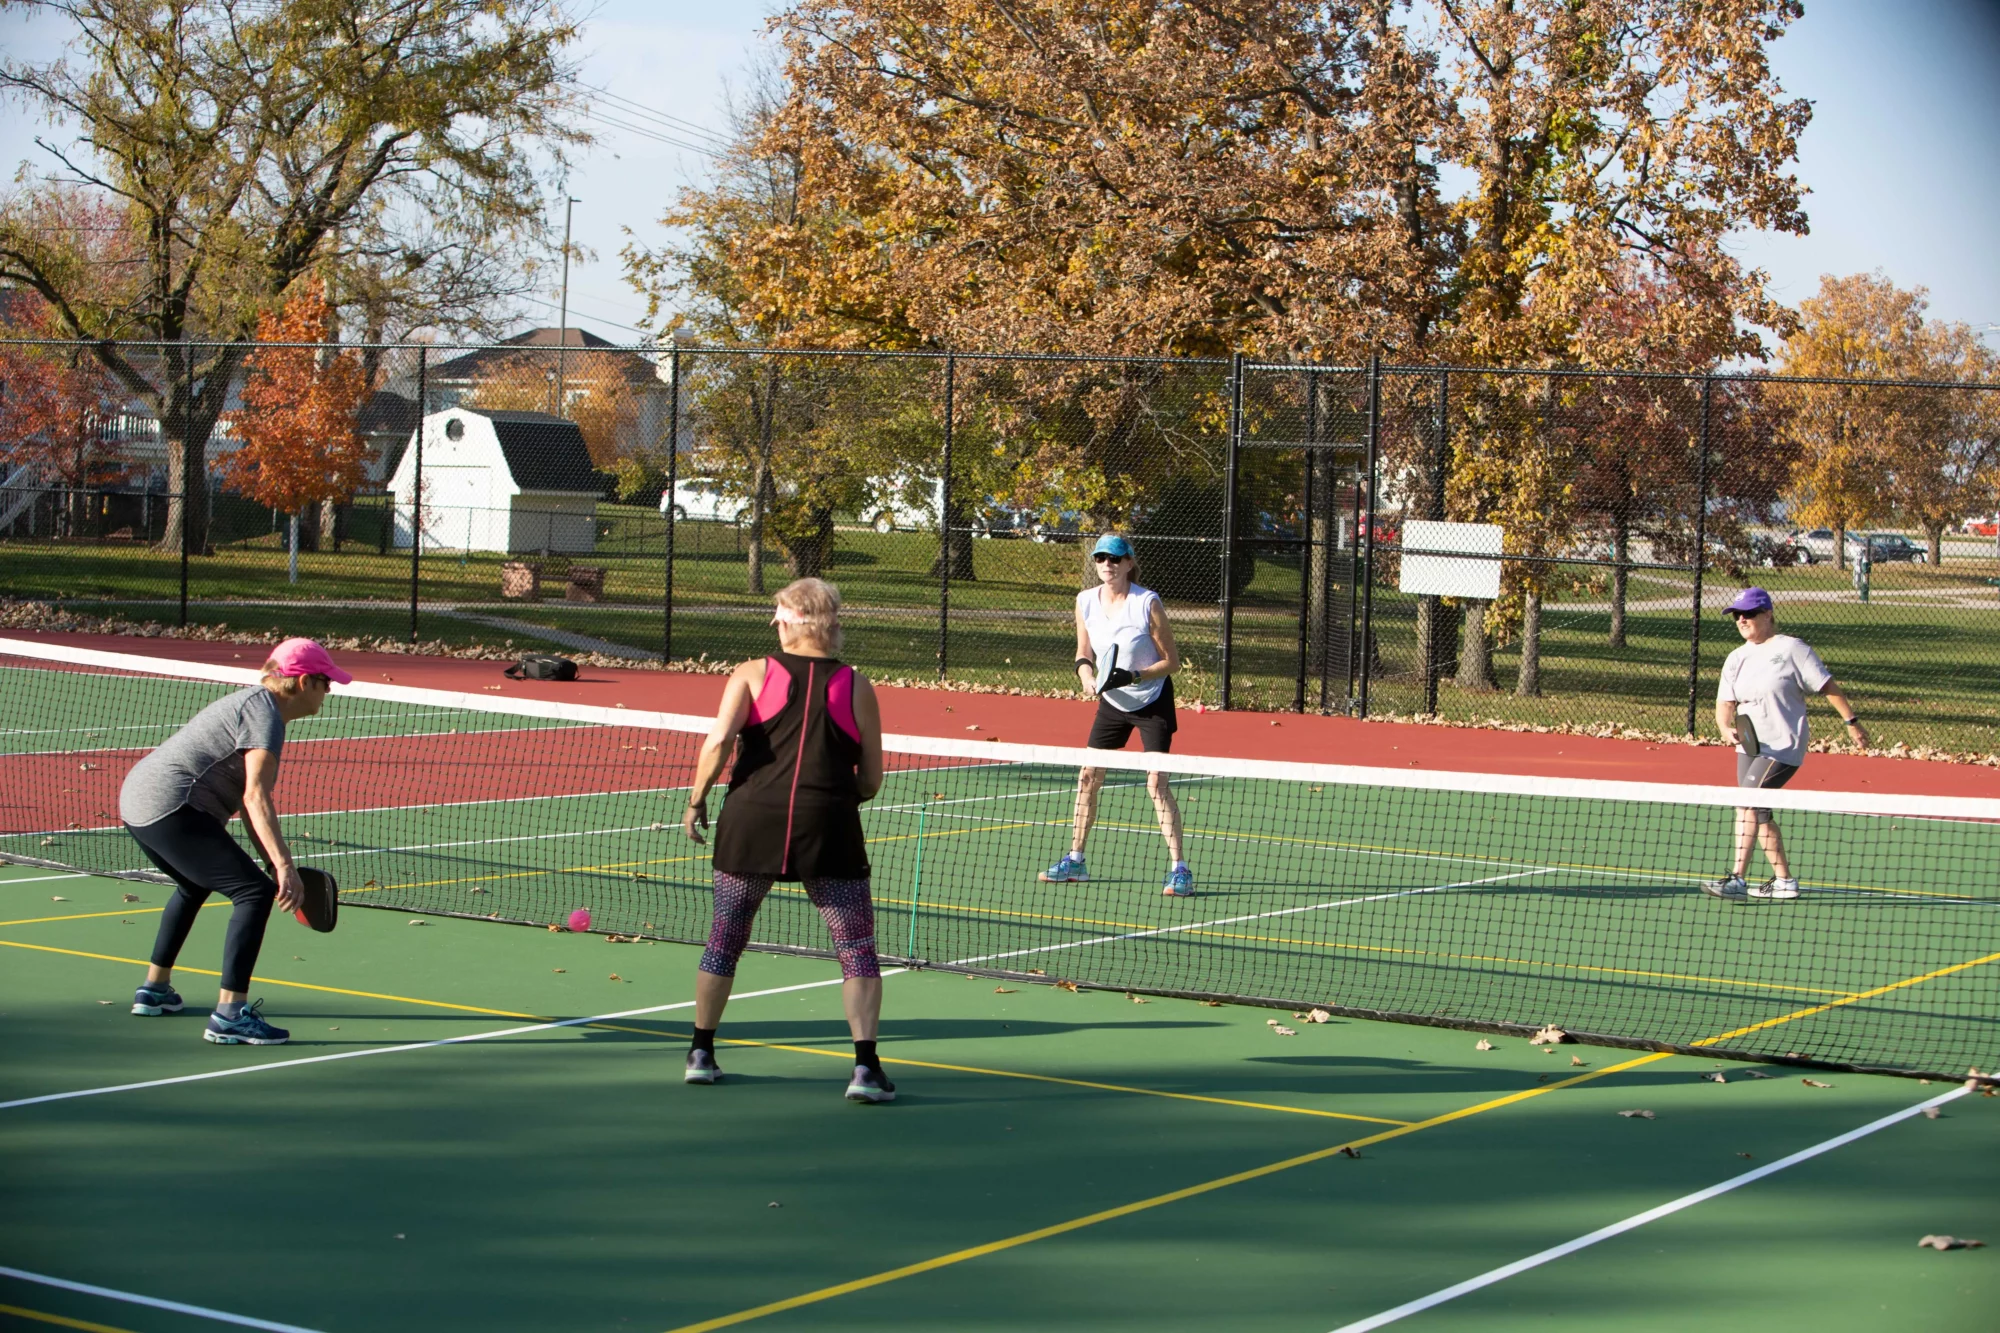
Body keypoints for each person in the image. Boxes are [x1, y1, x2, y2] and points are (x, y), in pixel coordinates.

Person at [680, 577, 893, 1102]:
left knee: (724, 939)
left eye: (779, 612)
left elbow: (717, 742)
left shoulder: (751, 674)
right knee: (857, 950)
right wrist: (835, 798)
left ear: (797, 620)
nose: (773, 621)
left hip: (751, 824)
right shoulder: (856, 685)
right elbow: (870, 779)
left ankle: (701, 1053)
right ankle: (865, 1068)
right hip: (829, 829)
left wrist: (696, 799)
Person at [120, 638, 352, 1044]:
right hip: (172, 807)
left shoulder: (256, 705)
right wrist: (282, 869)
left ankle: (155, 990)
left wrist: (273, 857)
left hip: (138, 802)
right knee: (254, 893)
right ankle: (230, 1015)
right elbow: (255, 797)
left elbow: (248, 804)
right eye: (325, 681)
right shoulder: (266, 719)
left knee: (194, 884)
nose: (329, 690)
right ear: (301, 683)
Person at [1040, 533, 1192, 896]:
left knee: (1156, 783)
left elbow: (1172, 662)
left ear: (1128, 564)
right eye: (1100, 558)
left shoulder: (1147, 603)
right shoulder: (1085, 601)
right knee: (1088, 776)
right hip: (1112, 701)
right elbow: (1082, 653)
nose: (1106, 564)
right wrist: (1087, 677)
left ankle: (1180, 870)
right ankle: (1075, 860)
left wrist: (1136, 675)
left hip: (1151, 700)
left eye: (1114, 558)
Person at [1702, 587, 1868, 901]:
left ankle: (1737, 879)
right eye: (1737, 615)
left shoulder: (1792, 649)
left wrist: (1851, 722)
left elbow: (1826, 685)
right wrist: (1725, 728)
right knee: (1753, 808)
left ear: (1767, 614)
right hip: (1749, 747)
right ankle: (1784, 881)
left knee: (1750, 802)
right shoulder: (1736, 658)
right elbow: (1725, 703)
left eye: (1749, 613)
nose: (1741, 619)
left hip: (1782, 745)